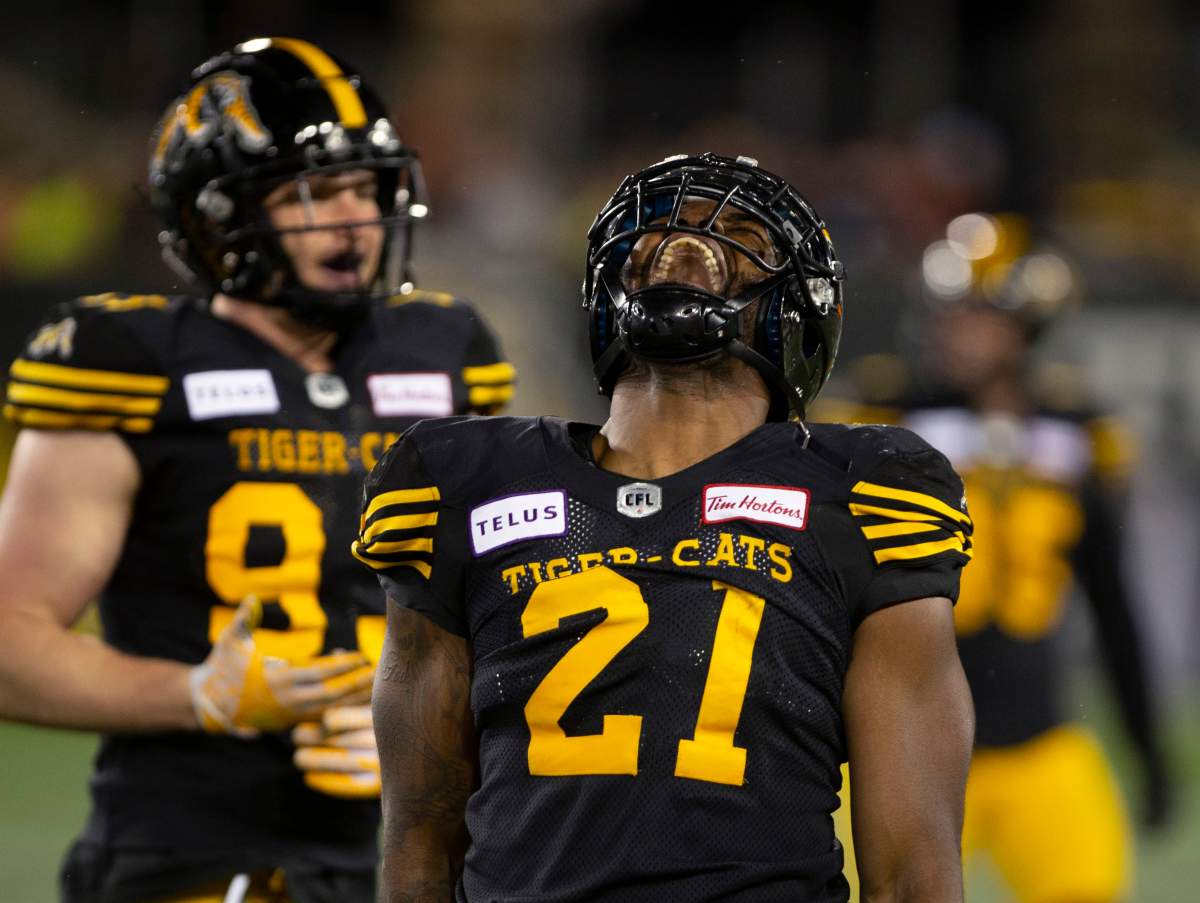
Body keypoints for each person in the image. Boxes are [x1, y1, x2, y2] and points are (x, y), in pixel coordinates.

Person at [358, 153, 974, 903]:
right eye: (656, 238)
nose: (689, 253)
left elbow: (913, 874)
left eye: (743, 237)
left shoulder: (864, 492)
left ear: (797, 305)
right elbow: (419, 843)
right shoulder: (462, 478)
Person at [0, 37, 514, 903]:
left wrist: (433, 732)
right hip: (194, 853)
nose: (355, 218)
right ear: (218, 214)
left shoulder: (447, 349)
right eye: (316, 193)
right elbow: (11, 643)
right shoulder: (127, 361)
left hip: (421, 853)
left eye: (367, 187)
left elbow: (510, 606)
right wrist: (202, 694)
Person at [817, 218, 1172, 903]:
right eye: (952, 314)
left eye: (981, 316)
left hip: (1041, 739)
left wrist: (1145, 744)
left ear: (1028, 327)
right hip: (906, 749)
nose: (959, 332)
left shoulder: (1080, 434)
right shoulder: (880, 416)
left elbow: (1111, 598)